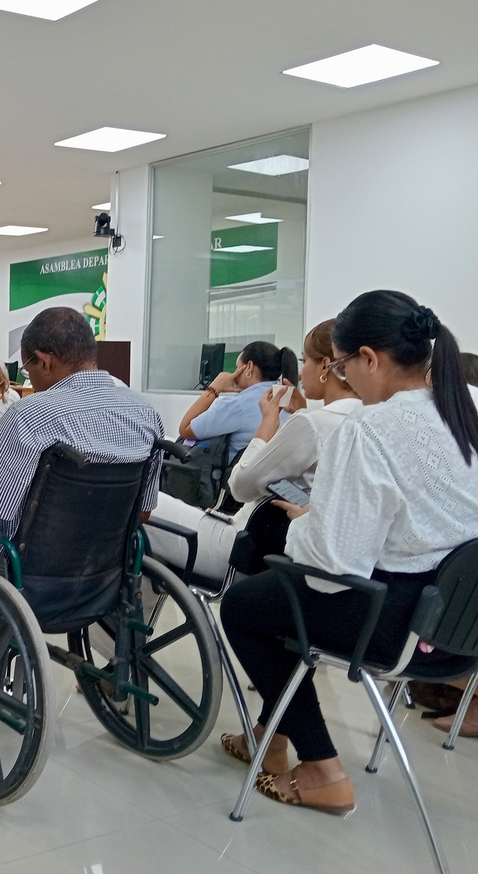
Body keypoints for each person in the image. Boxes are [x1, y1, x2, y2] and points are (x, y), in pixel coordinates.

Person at [221, 291, 478, 816]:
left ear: (369, 358)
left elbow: (332, 568)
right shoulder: (464, 409)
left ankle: (321, 768)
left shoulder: (369, 429)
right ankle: (269, 738)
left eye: (340, 365)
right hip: (461, 626)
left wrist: (305, 524)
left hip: (394, 620)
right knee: (283, 600)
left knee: (247, 606)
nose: (344, 380)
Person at [147, 320, 362, 580]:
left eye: (306, 361)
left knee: (144, 502)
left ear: (326, 366)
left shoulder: (306, 422)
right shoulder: (361, 419)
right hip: (280, 546)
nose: (302, 372)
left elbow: (240, 484)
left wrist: (267, 420)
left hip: (240, 545)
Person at [0, 307, 163, 548]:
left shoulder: (27, 417)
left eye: (27, 370)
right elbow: (142, 512)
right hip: (103, 566)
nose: (30, 380)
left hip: (19, 570)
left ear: (44, 362)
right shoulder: (147, 414)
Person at [178, 341, 299, 456]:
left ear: (249, 367)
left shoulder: (237, 406)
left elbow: (185, 429)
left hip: (238, 476)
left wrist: (214, 389)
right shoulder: (288, 399)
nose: (234, 374)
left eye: (237, 367)